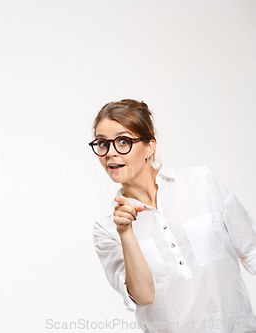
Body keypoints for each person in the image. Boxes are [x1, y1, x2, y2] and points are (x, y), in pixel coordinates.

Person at [91, 99, 256, 332]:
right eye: (102, 143)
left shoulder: (202, 182)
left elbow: (252, 250)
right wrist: (126, 232)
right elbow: (144, 296)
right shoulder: (106, 228)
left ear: (149, 147)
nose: (110, 153)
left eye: (123, 141)